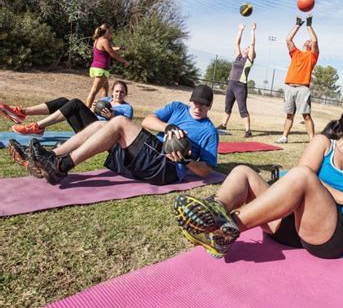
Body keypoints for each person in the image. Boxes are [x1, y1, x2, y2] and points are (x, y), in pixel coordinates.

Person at [175, 104, 343, 260]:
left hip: (328, 237)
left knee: (302, 176)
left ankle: (223, 231)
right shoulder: (323, 144)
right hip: (289, 229)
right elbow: (303, 179)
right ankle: (214, 209)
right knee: (243, 171)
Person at [9, 85, 218, 186]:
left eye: (203, 104)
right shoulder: (177, 108)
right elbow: (147, 121)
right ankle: (50, 157)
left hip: (167, 169)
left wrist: (187, 160)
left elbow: (205, 171)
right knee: (102, 126)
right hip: (151, 155)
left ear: (209, 106)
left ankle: (61, 167)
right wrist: (168, 127)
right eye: (195, 102)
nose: (198, 107)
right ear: (190, 100)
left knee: (118, 121)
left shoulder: (209, 132)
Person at [1, 81, 133, 136]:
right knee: (62, 101)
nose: (118, 94)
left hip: (99, 134)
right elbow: (91, 114)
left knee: (75, 103)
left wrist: (112, 117)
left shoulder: (127, 108)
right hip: (87, 127)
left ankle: (36, 127)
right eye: (116, 91)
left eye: (121, 92)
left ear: (125, 94)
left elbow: (124, 129)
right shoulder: (105, 100)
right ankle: (22, 112)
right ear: (112, 92)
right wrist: (92, 109)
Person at [275, 15, 319, 143]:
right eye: (307, 40)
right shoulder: (296, 53)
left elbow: (315, 41)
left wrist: (309, 25)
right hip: (290, 87)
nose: (308, 41)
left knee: (306, 115)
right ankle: (284, 137)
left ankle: (312, 141)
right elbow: (288, 39)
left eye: (309, 41)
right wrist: (298, 24)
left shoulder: (312, 56)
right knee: (289, 115)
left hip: (303, 89)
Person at [216, 23, 256, 138]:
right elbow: (237, 43)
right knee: (227, 106)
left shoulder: (249, 60)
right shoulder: (238, 57)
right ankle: (223, 125)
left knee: (242, 109)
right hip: (231, 84)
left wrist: (253, 30)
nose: (246, 47)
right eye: (247, 47)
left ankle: (248, 131)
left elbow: (252, 44)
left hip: (240, 86)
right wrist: (240, 30)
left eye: (248, 48)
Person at [86, 24, 129, 108]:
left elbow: (109, 48)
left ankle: (102, 109)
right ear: (106, 32)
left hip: (96, 67)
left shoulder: (98, 40)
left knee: (105, 90)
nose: (111, 35)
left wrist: (119, 48)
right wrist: (124, 61)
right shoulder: (105, 41)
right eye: (110, 32)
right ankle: (85, 112)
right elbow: (112, 53)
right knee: (93, 91)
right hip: (101, 69)